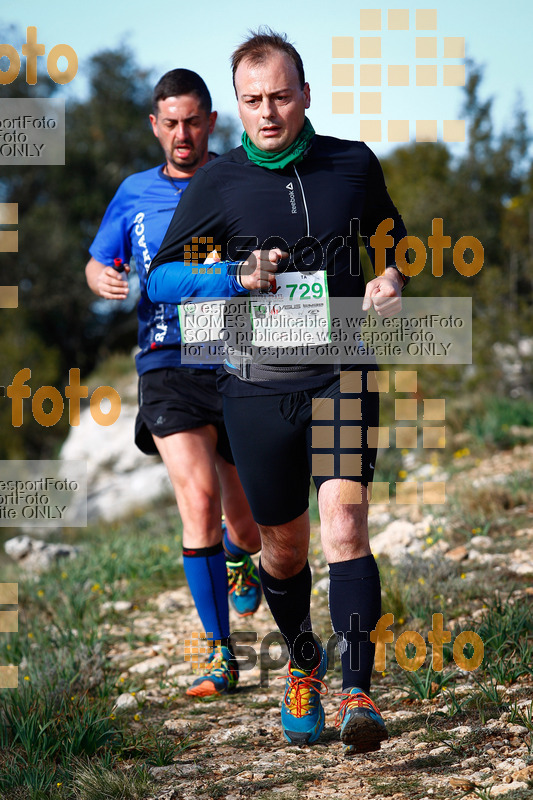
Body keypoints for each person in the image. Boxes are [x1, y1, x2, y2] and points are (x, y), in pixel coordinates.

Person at [146, 33, 409, 754]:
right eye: (252, 101)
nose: (267, 113)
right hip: (256, 389)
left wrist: (390, 277)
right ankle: (305, 668)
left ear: (306, 94)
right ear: (238, 105)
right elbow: (160, 278)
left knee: (345, 525)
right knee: (283, 551)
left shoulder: (351, 163)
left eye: (280, 97)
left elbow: (393, 237)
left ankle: (360, 692)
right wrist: (231, 277)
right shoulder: (219, 181)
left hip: (341, 371)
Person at [85, 68, 262, 698]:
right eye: (170, 122)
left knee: (247, 519)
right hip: (164, 363)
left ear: (212, 122)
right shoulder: (134, 192)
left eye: (193, 121)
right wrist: (99, 276)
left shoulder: (240, 177)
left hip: (235, 354)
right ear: (154, 126)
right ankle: (220, 656)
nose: (182, 134)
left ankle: (243, 555)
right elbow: (99, 256)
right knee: (198, 501)